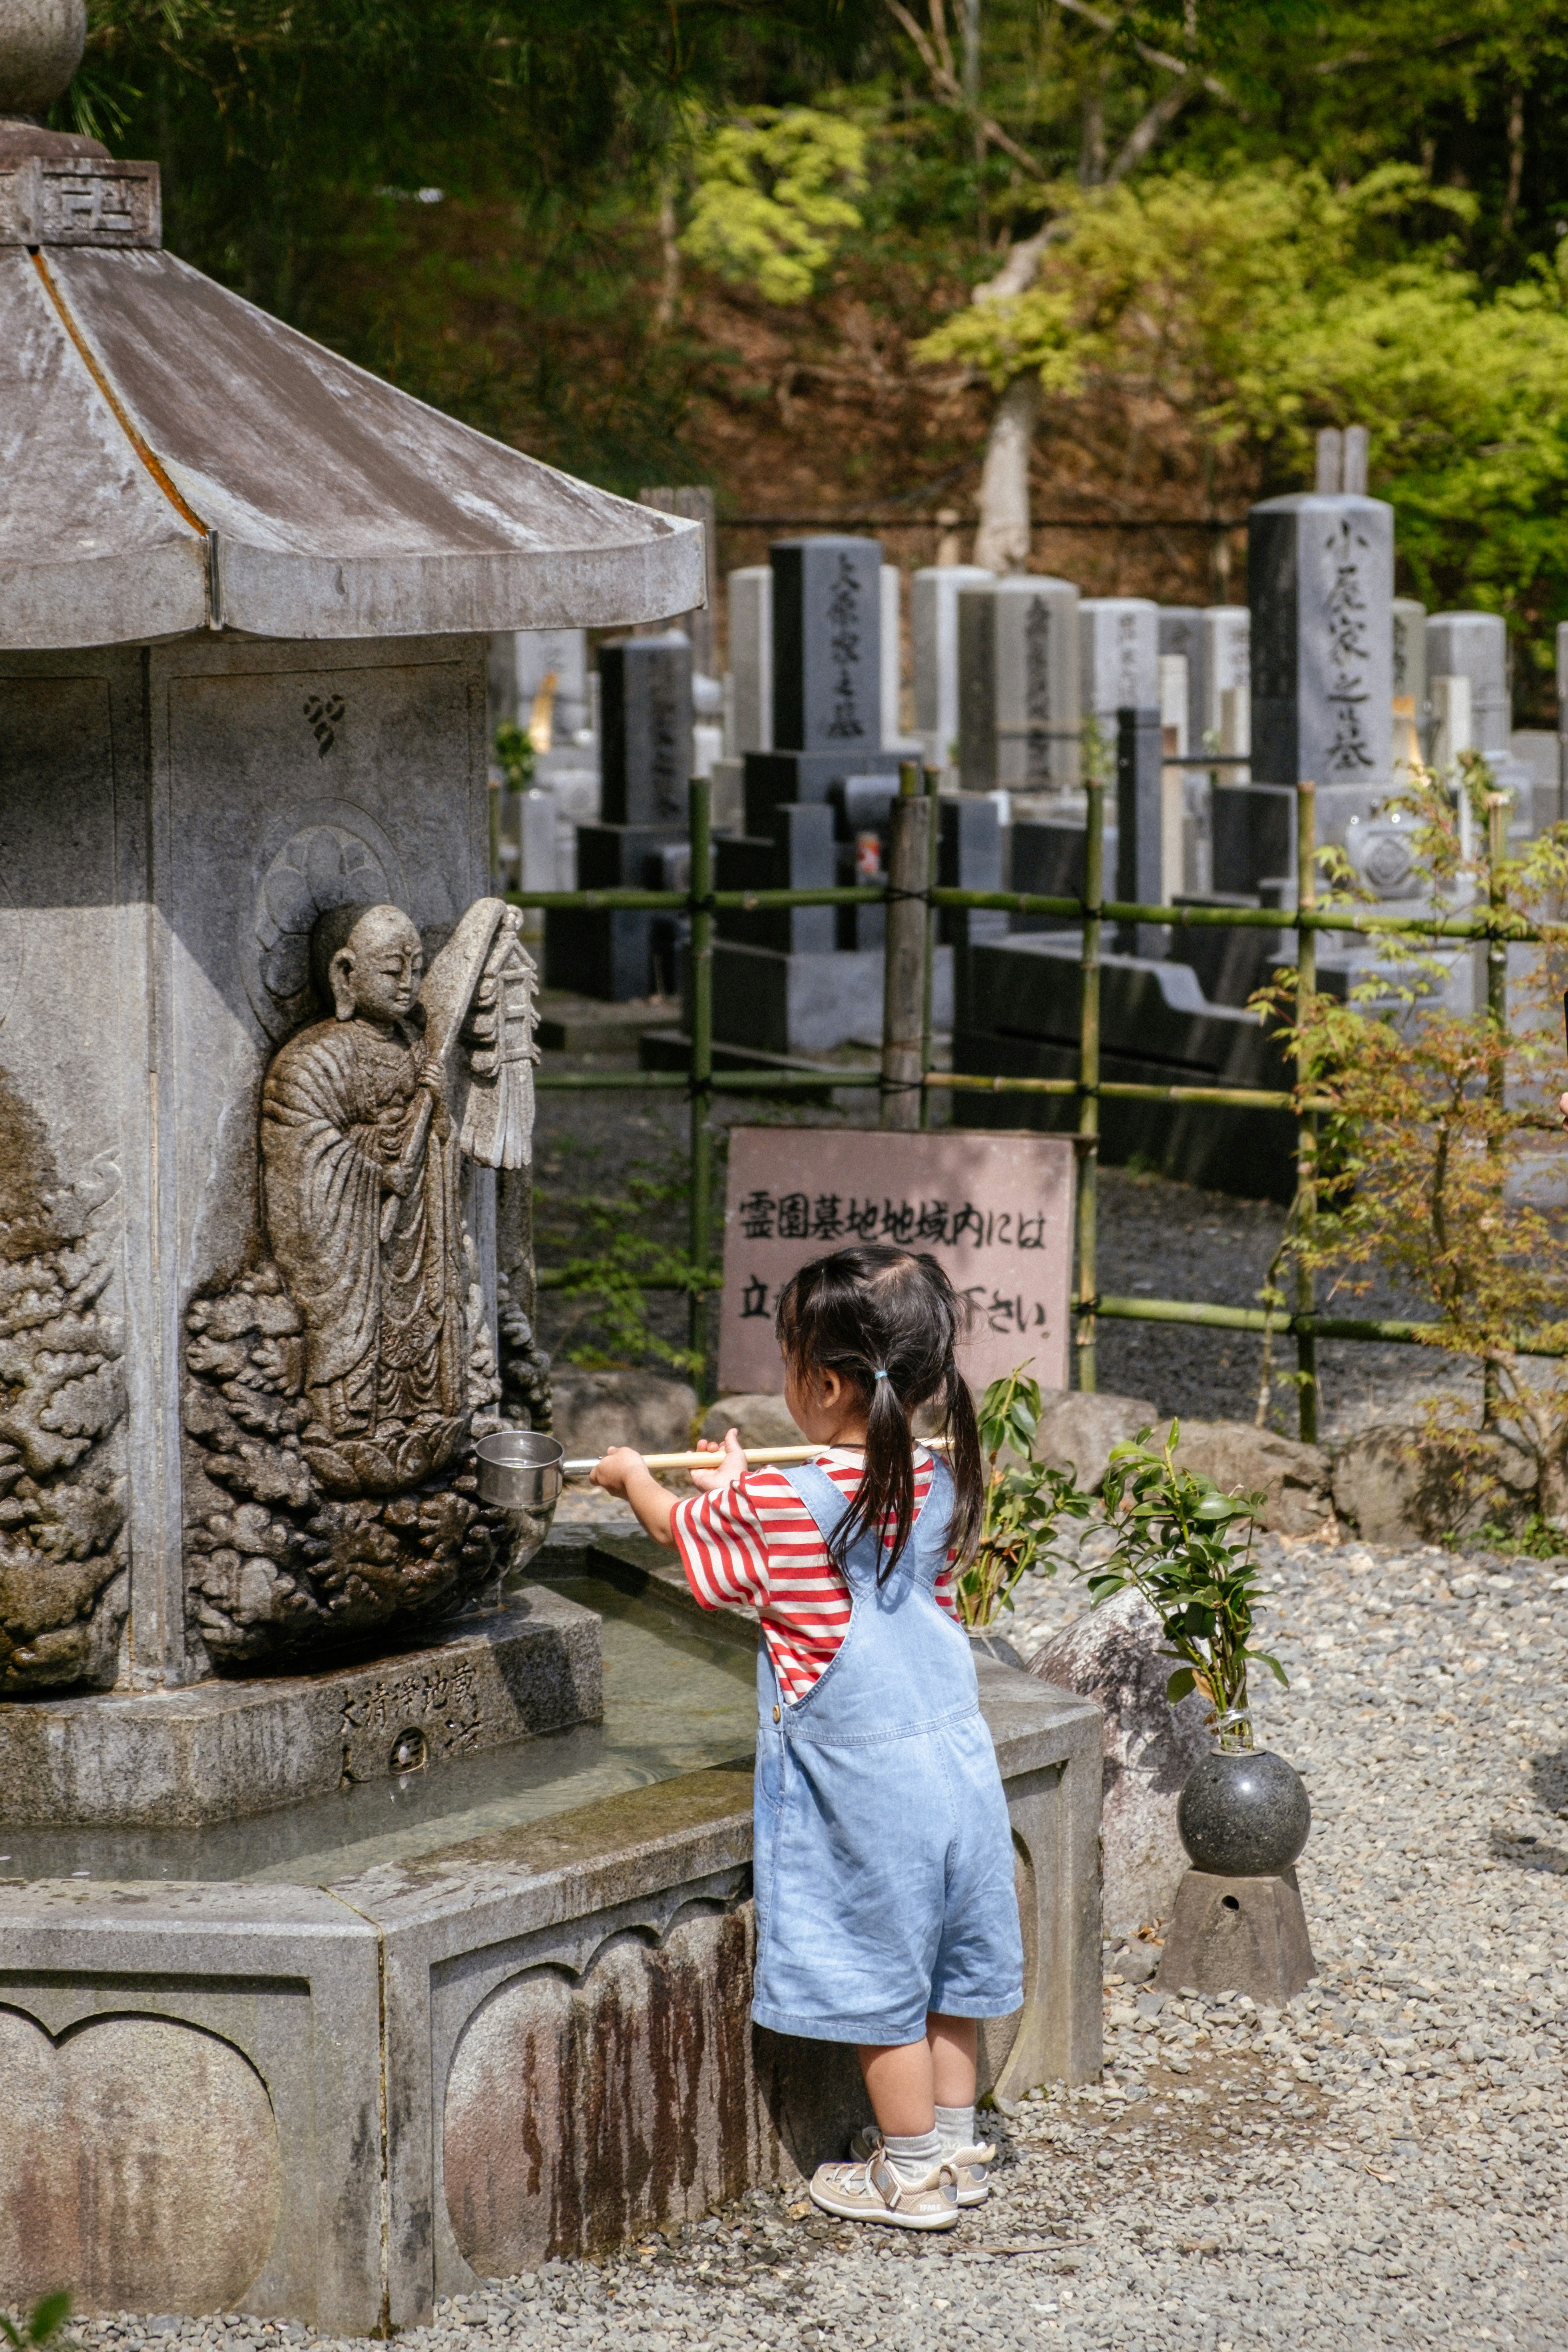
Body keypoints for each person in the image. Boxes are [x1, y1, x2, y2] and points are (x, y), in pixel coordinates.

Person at [592, 1242, 1023, 2234]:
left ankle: (909, 2176)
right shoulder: (939, 1476)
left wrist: (630, 1481)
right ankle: (958, 2147)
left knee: (880, 1979)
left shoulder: (784, 1503)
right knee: (950, 1971)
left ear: (823, 1383)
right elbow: (798, 1525)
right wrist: (740, 1484)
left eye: (789, 1362)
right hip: (958, 1764)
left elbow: (691, 1545)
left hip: (867, 1788)